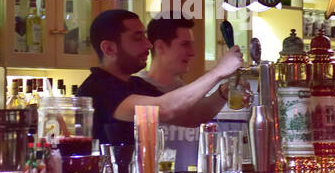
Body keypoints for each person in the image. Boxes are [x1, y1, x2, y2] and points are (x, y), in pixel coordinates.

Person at [77, 9, 243, 147]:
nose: (148, 45)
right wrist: (218, 71)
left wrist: (223, 93)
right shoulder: (97, 89)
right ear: (109, 48)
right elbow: (164, 109)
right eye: (137, 38)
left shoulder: (136, 84)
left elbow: (193, 115)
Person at [138, 17, 213, 171]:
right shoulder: (134, 92)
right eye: (185, 44)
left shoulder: (191, 96)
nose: (192, 52)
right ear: (160, 47)